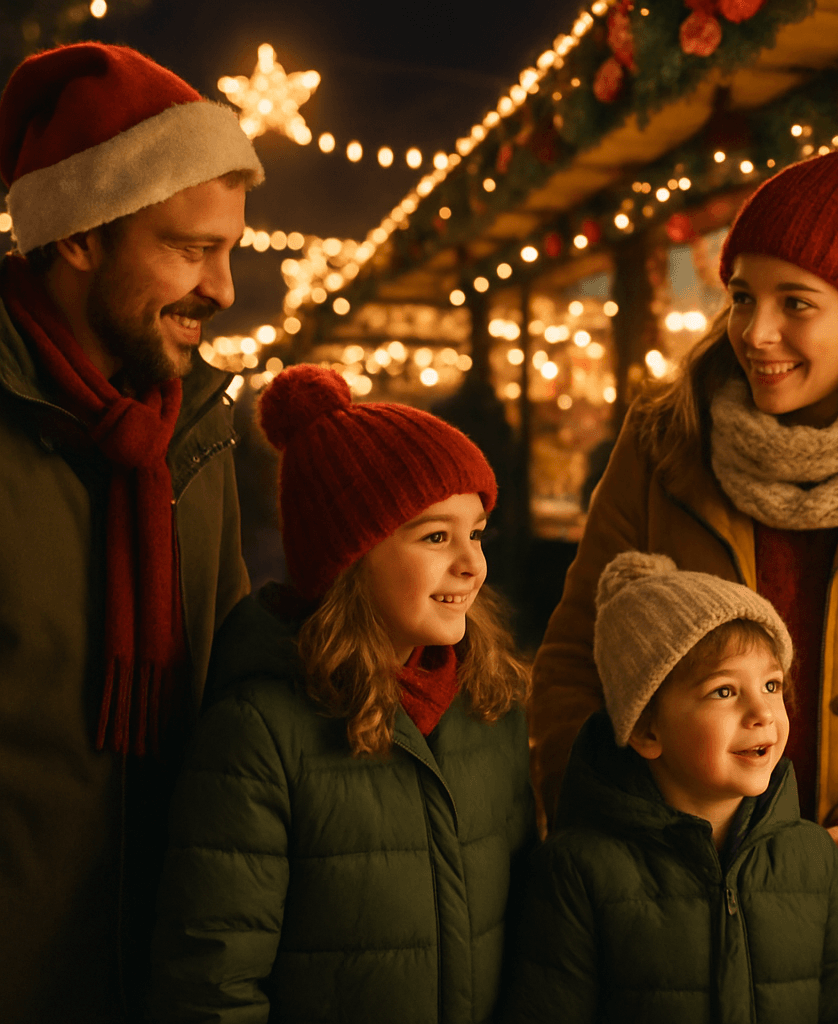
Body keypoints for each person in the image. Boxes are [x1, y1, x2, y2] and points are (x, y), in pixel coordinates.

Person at [528, 145, 838, 1024]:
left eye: (797, 303)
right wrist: (618, 829)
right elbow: (573, 658)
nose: (756, 332)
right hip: (660, 929)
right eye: (743, 296)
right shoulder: (665, 446)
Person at [0, 43, 263, 1023]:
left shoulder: (193, 432)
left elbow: (232, 685)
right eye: (192, 248)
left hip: (164, 978)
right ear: (78, 236)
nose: (225, 289)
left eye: (231, 249)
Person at [149, 365, 535, 1022]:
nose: (472, 563)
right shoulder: (260, 733)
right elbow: (212, 982)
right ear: (350, 557)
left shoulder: (489, 703)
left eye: (476, 532)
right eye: (436, 536)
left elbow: (529, 930)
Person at [506, 552, 838, 1023]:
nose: (763, 712)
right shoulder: (578, 873)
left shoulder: (812, 857)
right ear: (647, 730)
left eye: (771, 685)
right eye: (724, 691)